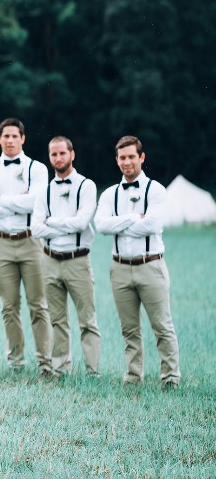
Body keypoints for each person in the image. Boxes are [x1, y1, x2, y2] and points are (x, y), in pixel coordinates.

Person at [95, 136, 180, 388]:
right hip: (119, 267)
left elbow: (153, 224)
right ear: (117, 160)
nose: (127, 162)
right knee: (129, 329)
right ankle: (133, 377)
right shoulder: (110, 194)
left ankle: (170, 378)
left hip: (150, 266)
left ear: (141, 158)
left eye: (132, 156)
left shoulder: (156, 190)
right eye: (122, 157)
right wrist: (135, 219)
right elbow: (100, 225)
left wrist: (119, 223)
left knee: (162, 326)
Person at [0, 117, 51, 374]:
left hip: (31, 241)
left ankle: (45, 362)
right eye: (5, 136)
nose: (10, 140)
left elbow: (35, 203)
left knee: (38, 304)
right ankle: (15, 361)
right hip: (1, 243)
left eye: (14, 136)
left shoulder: (37, 169)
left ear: (23, 139)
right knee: (8, 306)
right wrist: (18, 200)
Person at [31, 136, 101, 376]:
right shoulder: (44, 191)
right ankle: (60, 369)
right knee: (57, 319)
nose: (58, 158)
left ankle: (92, 371)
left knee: (87, 320)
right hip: (49, 260)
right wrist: (67, 224)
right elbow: (35, 228)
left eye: (62, 153)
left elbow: (82, 222)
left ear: (72, 154)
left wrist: (51, 221)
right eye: (53, 154)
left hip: (77, 260)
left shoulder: (86, 186)